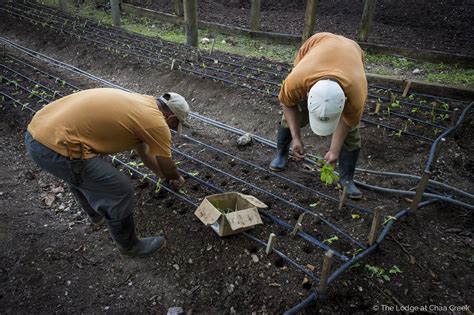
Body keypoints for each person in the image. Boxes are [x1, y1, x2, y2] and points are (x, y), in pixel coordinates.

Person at [25, 88, 190, 257]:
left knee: (83, 177)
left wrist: (163, 176)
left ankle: (98, 216)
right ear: (171, 117)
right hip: (54, 148)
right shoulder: (157, 123)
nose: (174, 129)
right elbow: (166, 163)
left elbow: (145, 152)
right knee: (119, 190)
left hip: (38, 133)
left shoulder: (143, 104)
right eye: (176, 125)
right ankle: (130, 247)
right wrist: (174, 177)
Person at [269, 32, 368, 199]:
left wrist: (334, 151)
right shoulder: (296, 82)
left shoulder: (356, 93)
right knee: (291, 118)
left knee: (351, 134)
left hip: (352, 51)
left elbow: (347, 122)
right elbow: (288, 105)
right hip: (317, 44)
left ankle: (347, 179)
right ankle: (281, 153)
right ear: (308, 94)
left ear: (343, 102)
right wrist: (296, 138)